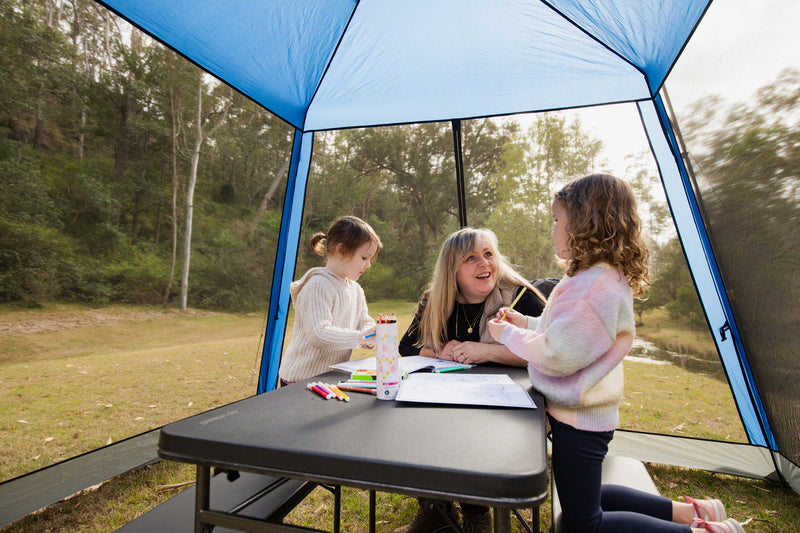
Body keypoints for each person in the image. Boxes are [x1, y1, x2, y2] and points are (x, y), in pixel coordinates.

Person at [487, 174, 744, 533]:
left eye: (557, 221)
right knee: (590, 498)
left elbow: (557, 355)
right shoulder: (591, 277)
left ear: (582, 224)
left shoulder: (593, 287)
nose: (553, 231)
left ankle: (700, 532)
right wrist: (525, 323)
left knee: (582, 524)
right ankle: (694, 513)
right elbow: (562, 332)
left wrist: (506, 333)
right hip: (581, 413)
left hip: (579, 420)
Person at [395, 227, 556, 533]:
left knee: (469, 431)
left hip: (513, 404)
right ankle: (436, 510)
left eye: (488, 254)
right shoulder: (435, 300)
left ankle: (476, 513)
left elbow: (550, 352)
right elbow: (406, 347)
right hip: (447, 396)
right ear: (452, 270)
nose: (484, 264)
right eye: (471, 258)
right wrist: (439, 350)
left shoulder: (520, 296)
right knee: (416, 420)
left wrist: (487, 352)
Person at [278, 216, 381, 385]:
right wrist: (362, 337)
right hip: (300, 380)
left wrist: (372, 334)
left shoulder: (356, 290)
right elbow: (319, 334)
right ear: (342, 251)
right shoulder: (317, 285)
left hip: (328, 379)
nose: (368, 265)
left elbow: (364, 322)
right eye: (364, 258)